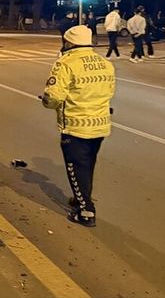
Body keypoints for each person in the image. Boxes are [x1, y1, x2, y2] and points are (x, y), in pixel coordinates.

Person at [41, 25, 116, 227]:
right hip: (99, 125)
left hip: (76, 125)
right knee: (88, 164)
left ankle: (86, 211)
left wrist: (46, 101)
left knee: (75, 167)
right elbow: (109, 91)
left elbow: (54, 97)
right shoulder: (104, 63)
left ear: (69, 42)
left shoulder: (65, 63)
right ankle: (81, 196)